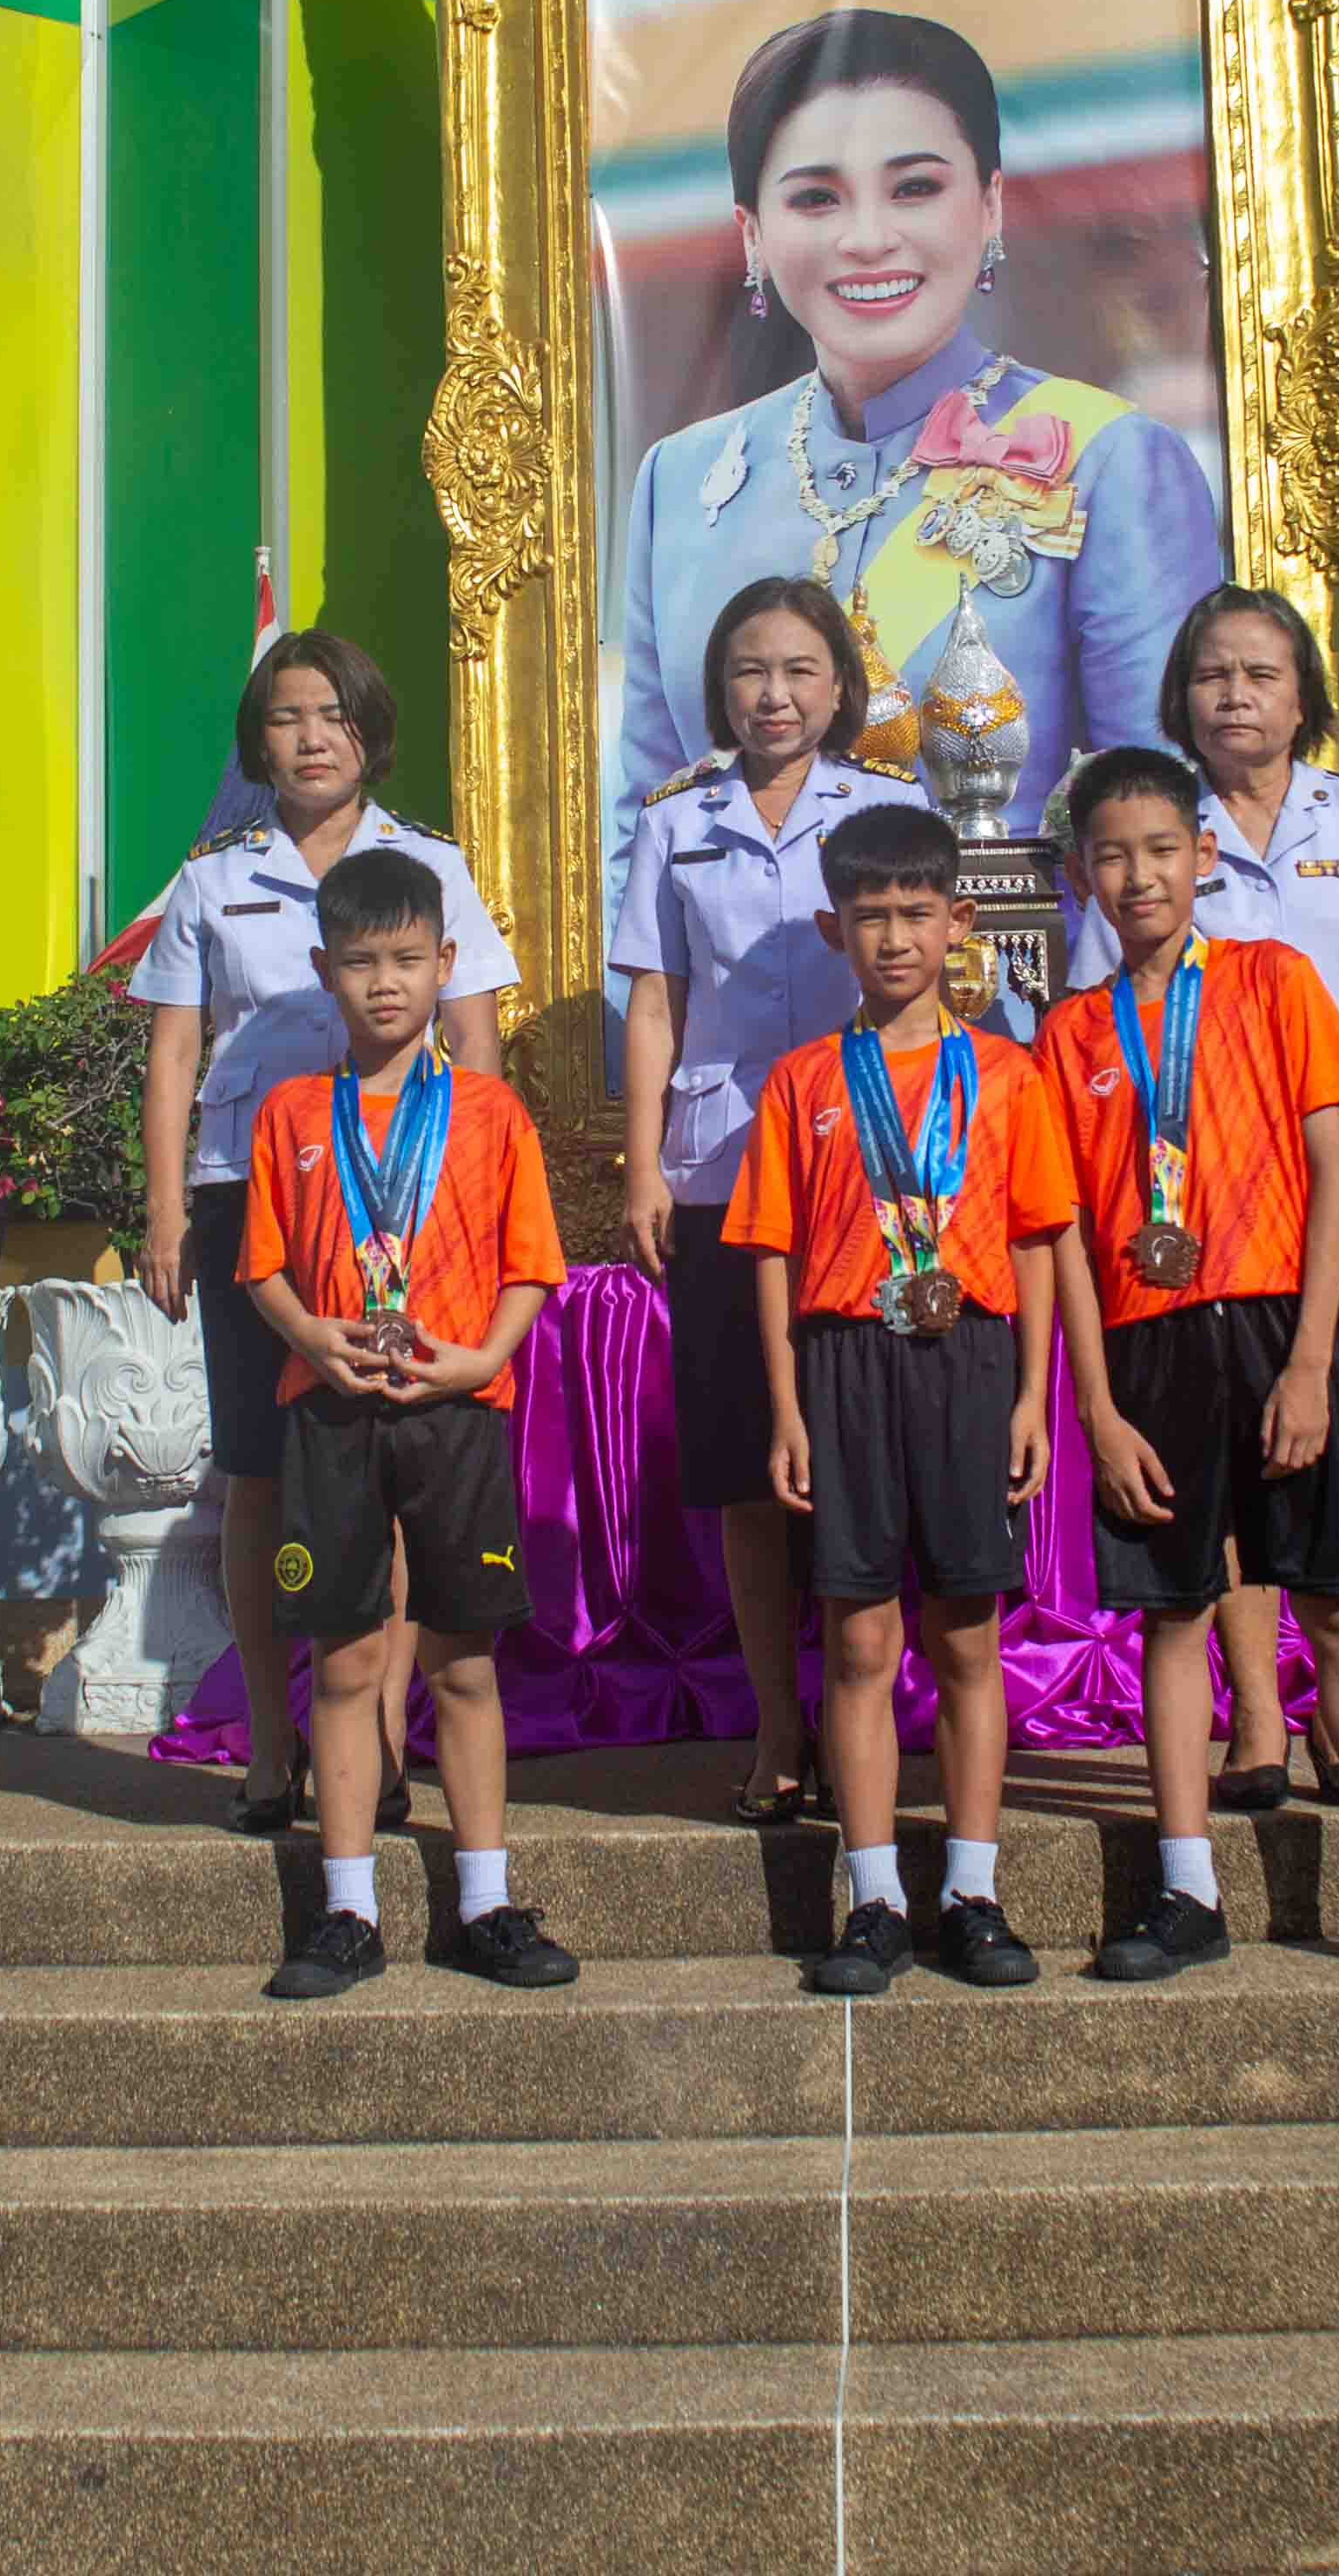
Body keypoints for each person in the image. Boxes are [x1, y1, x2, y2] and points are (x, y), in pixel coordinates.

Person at [1042, 746, 1339, 1985]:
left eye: (1161, 850)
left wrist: (1309, 1364)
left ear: (1202, 857)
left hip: (1279, 1324)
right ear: (1081, 876)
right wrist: (1096, 1406)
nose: (1139, 877)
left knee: (1338, 1606)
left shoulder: (1273, 979)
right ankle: (1186, 1888)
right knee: (1174, 1612)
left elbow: (1336, 1173)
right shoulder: (1070, 1034)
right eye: (1112, 857)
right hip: (1147, 1345)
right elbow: (1064, 1233)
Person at [611, 7, 1222, 827]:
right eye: (816, 198)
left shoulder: (1109, 461)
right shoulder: (681, 479)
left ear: (990, 206)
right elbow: (642, 819)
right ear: (752, 235)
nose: (868, 238)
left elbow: (1165, 826)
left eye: (915, 188)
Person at [1068, 582, 1339, 1816]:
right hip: (1199, 1213)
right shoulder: (1154, 829)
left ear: (1305, 699)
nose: (1235, 695)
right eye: (1212, 674)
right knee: (1223, 1452)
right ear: (1181, 697)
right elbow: (1100, 1029)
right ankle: (1255, 1715)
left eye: (1261, 674)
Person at [130, 632, 516, 1838]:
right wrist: (163, 1210)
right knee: (258, 1474)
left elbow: (477, 1039)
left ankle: (381, 1736)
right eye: (287, 717)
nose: (311, 739)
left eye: (334, 715)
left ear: (370, 731)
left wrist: (474, 1196)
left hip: (402, 1205)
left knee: (390, 1464)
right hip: (253, 1197)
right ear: (259, 741)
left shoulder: (431, 865)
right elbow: (175, 1053)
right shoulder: (212, 879)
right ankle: (268, 1739)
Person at [726, 802, 1067, 1995]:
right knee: (860, 1636)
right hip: (844, 1362)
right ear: (835, 929)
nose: (894, 938)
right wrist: (786, 1408)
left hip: (968, 1358)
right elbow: (771, 1253)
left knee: (967, 1634)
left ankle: (972, 1890)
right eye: (870, 916)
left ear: (959, 921)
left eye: (917, 914)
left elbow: (1035, 1241)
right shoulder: (803, 1081)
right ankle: (871, 1898)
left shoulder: (1007, 1075)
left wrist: (1033, 1393)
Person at [235, 848, 575, 2000]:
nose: (385, 984)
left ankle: (484, 1904)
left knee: (463, 1660)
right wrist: (309, 1335)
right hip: (331, 1415)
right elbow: (263, 1265)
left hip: (457, 1410)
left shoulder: (491, 1113)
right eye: (361, 962)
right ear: (323, 968)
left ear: (446, 964)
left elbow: (531, 1265)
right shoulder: (291, 1113)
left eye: (408, 960)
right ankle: (346, 1911)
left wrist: (485, 1357)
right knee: (345, 1661)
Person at [613, 575, 926, 1824]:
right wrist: (644, 1164)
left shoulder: (891, 808)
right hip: (723, 1167)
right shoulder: (675, 821)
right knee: (751, 1465)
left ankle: (868, 1721)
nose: (775, 695)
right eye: (750, 670)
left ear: (841, 686)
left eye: (800, 670)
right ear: (720, 688)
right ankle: (777, 1727)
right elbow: (655, 1002)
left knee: (861, 1457)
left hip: (872, 1169)